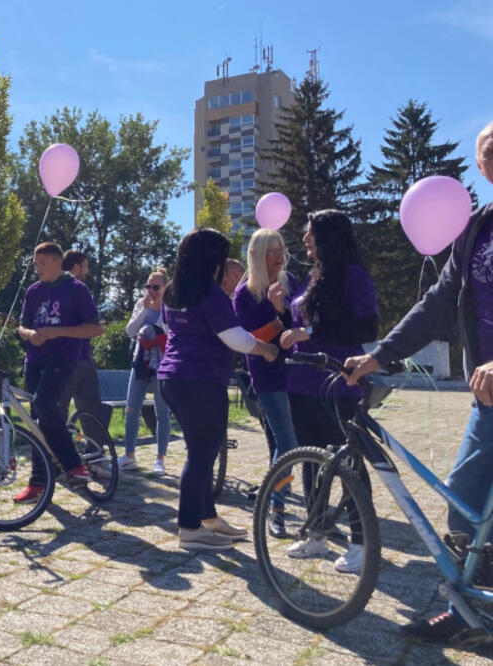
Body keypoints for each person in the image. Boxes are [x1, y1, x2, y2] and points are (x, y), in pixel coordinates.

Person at [345, 121, 493, 643]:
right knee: (465, 504)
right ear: (482, 166)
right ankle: (471, 614)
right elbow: (433, 306)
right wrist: (379, 355)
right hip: (488, 401)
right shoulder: (476, 231)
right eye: (490, 151)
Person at [158, 229, 279, 550]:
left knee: (201, 450)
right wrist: (266, 349)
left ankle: (208, 518)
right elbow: (235, 338)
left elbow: (172, 329)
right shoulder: (210, 295)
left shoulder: (173, 291)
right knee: (201, 454)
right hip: (201, 380)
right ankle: (189, 529)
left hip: (172, 378)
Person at [279, 210, 378, 573]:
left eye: (310, 233)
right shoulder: (313, 276)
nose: (304, 239)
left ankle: (362, 543)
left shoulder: (354, 275)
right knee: (310, 460)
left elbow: (367, 325)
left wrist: (313, 333)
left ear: (328, 237)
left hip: (339, 383)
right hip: (302, 382)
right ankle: (317, 534)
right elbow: (301, 322)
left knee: (348, 464)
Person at [13, 242, 104, 504]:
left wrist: (58, 332)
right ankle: (38, 483)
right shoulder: (33, 291)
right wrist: (30, 334)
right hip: (34, 359)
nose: (37, 268)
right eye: (35, 264)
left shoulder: (75, 289)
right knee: (35, 420)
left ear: (57, 262)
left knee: (44, 403)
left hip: (62, 357)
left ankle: (74, 464)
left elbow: (95, 329)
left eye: (43, 263)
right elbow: (23, 326)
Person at [232, 229, 301, 537]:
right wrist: (276, 316)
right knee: (288, 445)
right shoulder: (244, 294)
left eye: (281, 249)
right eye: (272, 251)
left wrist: (284, 311)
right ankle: (275, 507)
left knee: (282, 443)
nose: (279, 256)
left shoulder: (292, 284)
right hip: (267, 376)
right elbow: (248, 341)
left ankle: (282, 501)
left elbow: (301, 326)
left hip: (297, 373)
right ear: (258, 255)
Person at [118, 269, 173, 475]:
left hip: (163, 362)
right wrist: (144, 311)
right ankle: (129, 455)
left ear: (165, 287)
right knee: (132, 408)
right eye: (148, 286)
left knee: (162, 412)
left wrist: (159, 311)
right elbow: (130, 331)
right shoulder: (141, 304)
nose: (151, 291)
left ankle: (160, 459)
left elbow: (170, 332)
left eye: (156, 287)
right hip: (141, 362)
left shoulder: (170, 306)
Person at [57, 250, 110, 447]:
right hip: (69, 359)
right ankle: (60, 459)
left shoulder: (77, 290)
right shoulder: (71, 289)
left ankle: (94, 456)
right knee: (62, 409)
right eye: (85, 266)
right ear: (76, 267)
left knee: (91, 410)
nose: (87, 271)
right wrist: (96, 327)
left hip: (85, 358)